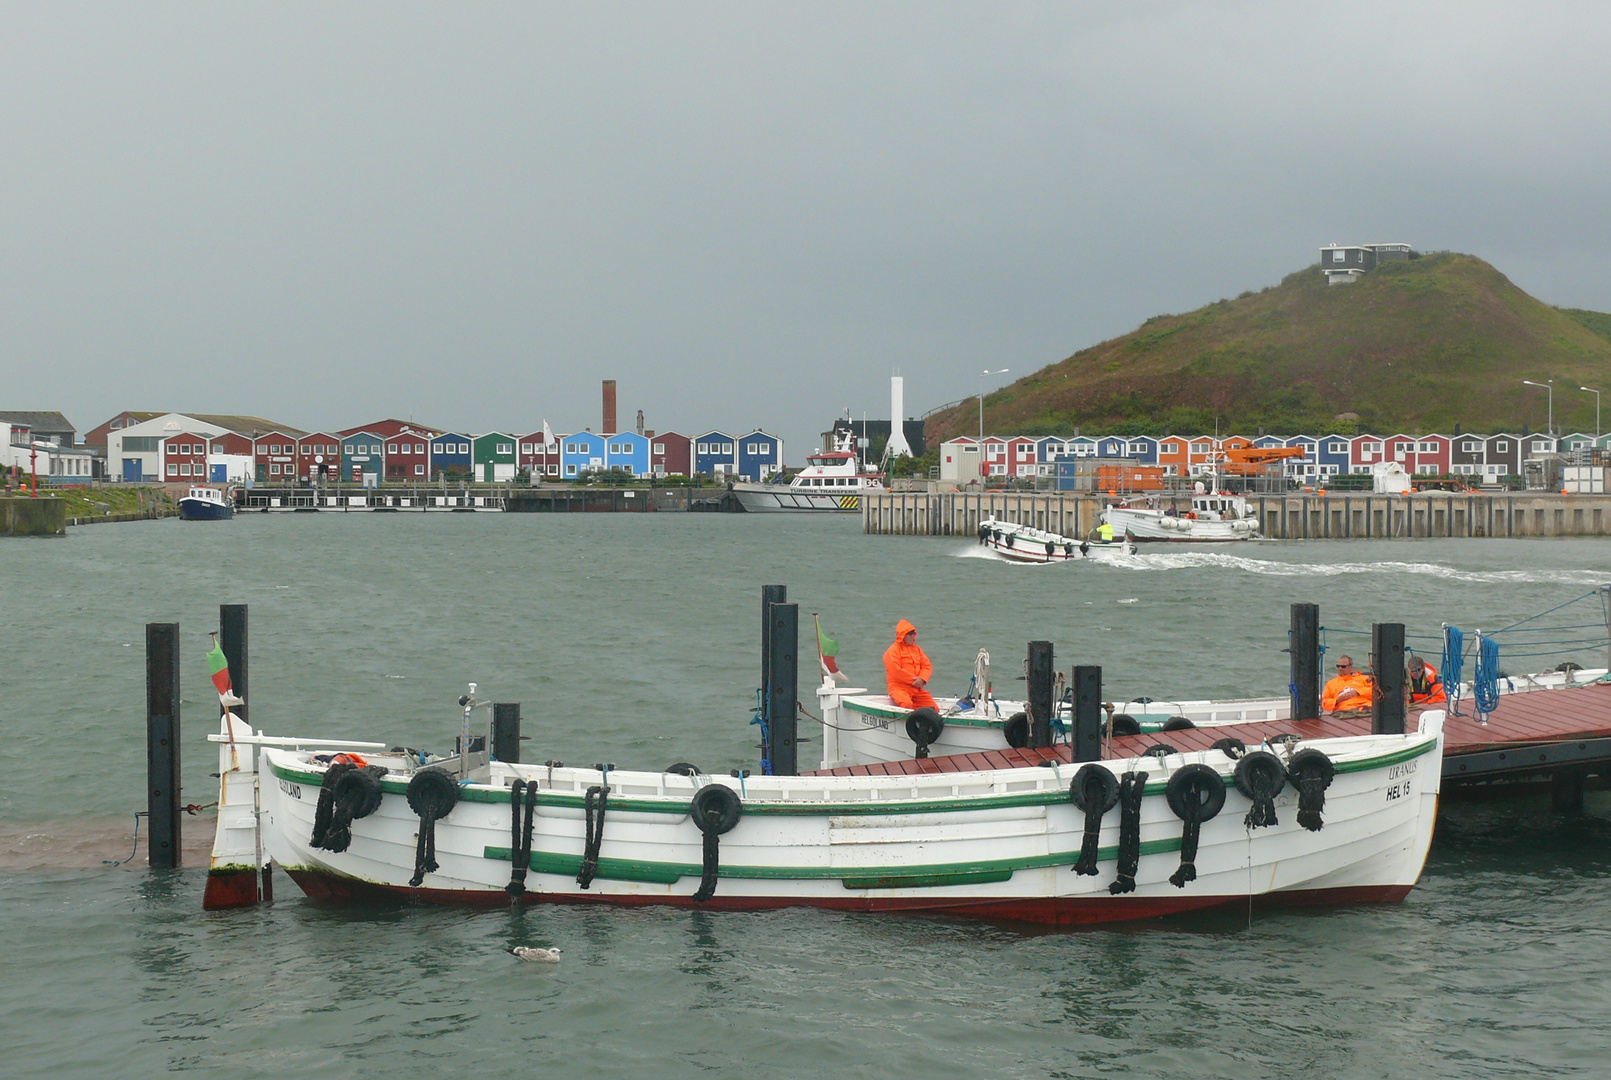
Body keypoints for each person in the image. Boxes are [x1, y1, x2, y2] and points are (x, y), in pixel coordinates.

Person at [884, 619, 937, 711]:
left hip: (916, 689)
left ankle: (920, 720)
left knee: (933, 709)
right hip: (898, 689)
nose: (913, 636)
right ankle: (909, 723)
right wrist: (915, 681)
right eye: (910, 634)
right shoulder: (893, 651)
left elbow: (927, 666)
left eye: (913, 633)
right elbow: (896, 671)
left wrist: (922, 679)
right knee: (907, 704)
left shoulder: (917, 649)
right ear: (902, 635)